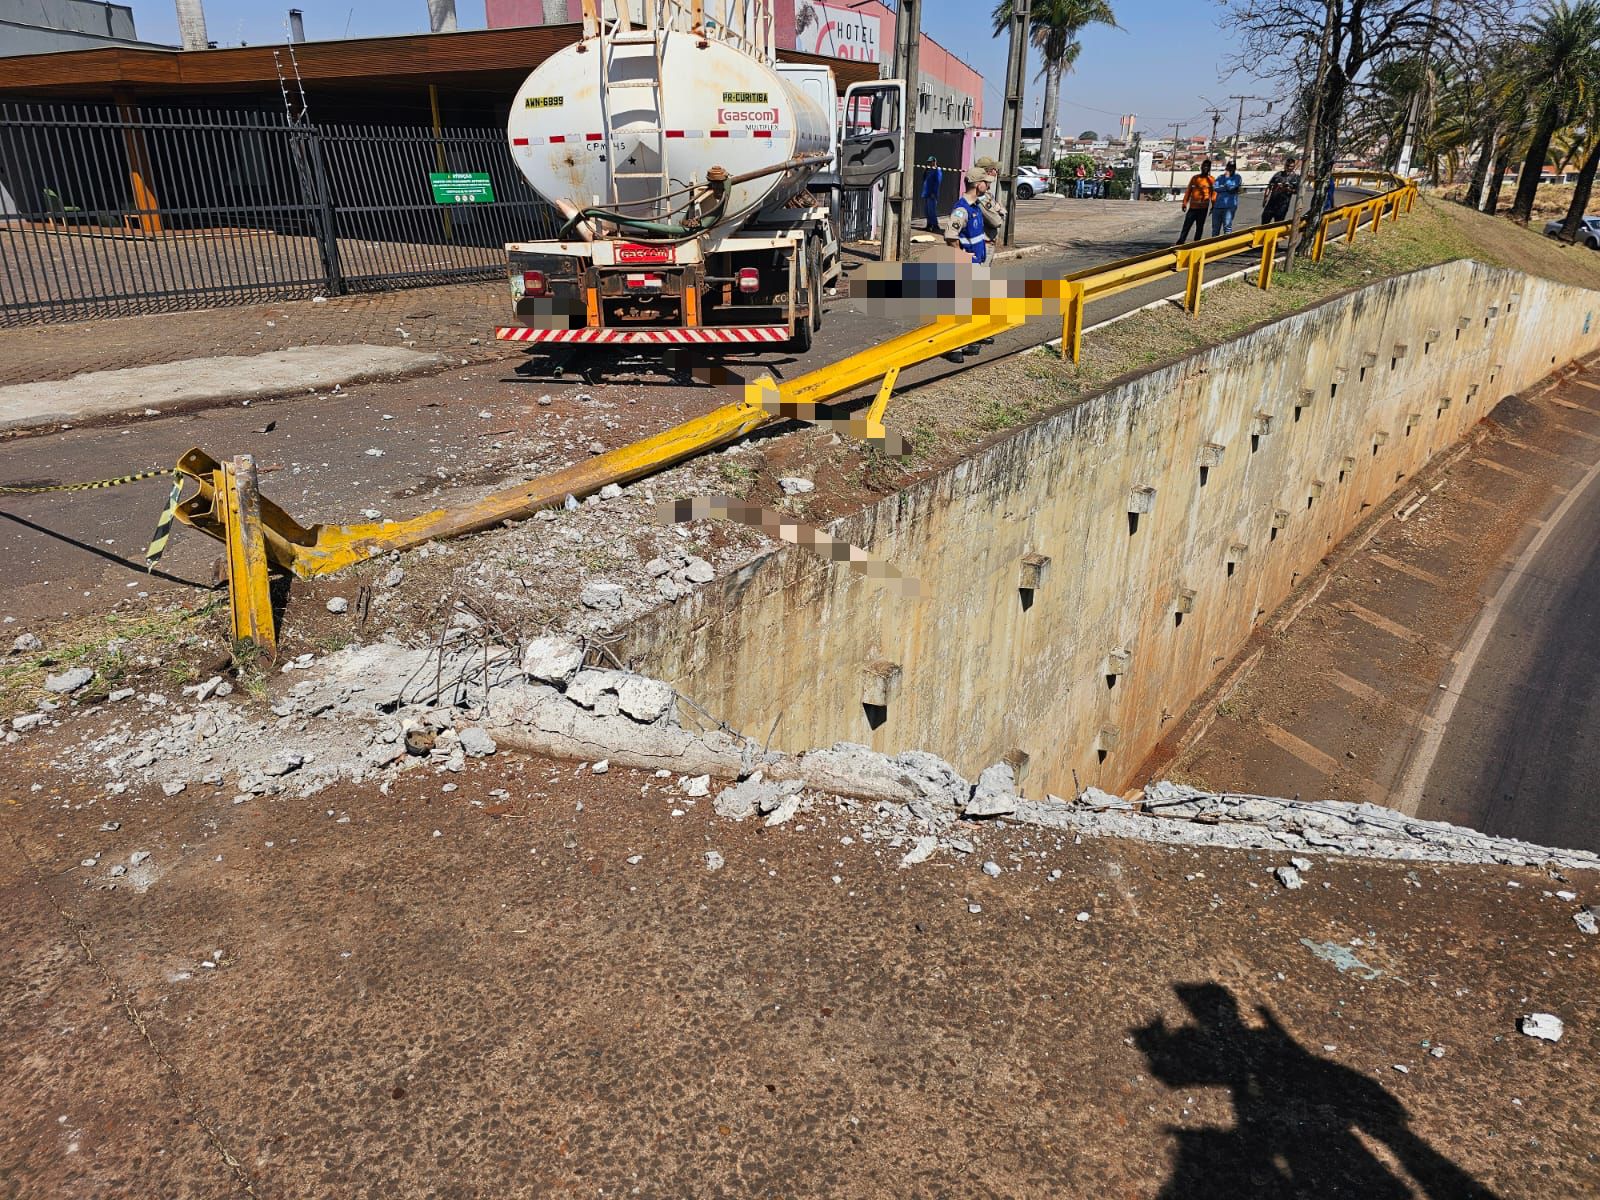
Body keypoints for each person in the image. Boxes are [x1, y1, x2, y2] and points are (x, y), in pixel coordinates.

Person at [941, 167, 990, 362]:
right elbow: (950, 235)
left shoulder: (975, 206)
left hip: (977, 263)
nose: (988, 185)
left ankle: (972, 339)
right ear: (978, 185)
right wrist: (960, 254)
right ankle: (952, 347)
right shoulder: (962, 209)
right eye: (986, 182)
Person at [1176, 158, 1215, 244]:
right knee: (1186, 225)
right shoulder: (1195, 178)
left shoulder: (1211, 180)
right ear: (1201, 167)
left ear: (1209, 168)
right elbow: (1188, 191)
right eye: (1204, 166)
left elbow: (1213, 193)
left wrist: (1213, 205)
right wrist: (1184, 203)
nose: (1205, 168)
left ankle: (1196, 243)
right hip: (1193, 207)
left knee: (1200, 226)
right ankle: (1181, 241)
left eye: (1207, 167)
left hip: (1203, 208)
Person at [1262, 155, 1300, 224]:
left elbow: (1296, 191)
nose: (1289, 167)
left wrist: (1288, 189)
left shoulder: (1296, 178)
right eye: (1287, 165)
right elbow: (1269, 186)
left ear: (1293, 167)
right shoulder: (1278, 174)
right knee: (1264, 222)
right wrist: (1265, 198)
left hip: (1282, 206)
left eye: (1291, 166)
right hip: (1271, 203)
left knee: (1278, 224)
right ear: (1285, 165)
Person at [1211, 161, 1241, 236]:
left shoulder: (1237, 177)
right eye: (1229, 167)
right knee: (1215, 229)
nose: (1230, 169)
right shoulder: (1220, 177)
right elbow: (1215, 188)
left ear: (1234, 168)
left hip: (1229, 207)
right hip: (1217, 206)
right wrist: (1226, 188)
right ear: (1226, 168)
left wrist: (1227, 179)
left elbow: (1231, 188)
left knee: (1227, 227)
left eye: (1232, 167)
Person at [920, 155, 943, 232]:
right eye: (929, 162)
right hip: (926, 192)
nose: (930, 163)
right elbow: (924, 179)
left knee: (931, 210)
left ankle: (935, 225)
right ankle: (929, 225)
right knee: (926, 210)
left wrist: (934, 192)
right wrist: (924, 171)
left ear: (934, 162)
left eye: (931, 162)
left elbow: (938, 182)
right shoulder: (928, 170)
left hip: (932, 193)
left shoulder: (937, 170)